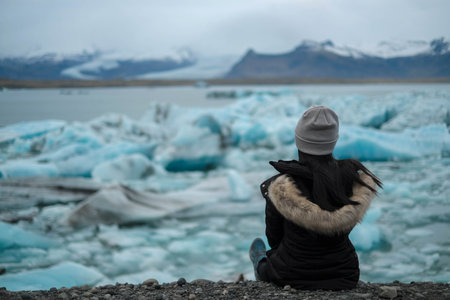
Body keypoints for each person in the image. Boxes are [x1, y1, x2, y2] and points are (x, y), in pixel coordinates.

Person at [249, 105, 382, 290]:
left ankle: (260, 262)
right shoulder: (353, 181)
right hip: (345, 274)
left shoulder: (282, 188)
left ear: (298, 141)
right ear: (333, 142)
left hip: (290, 274)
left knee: (267, 263)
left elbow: (274, 238)